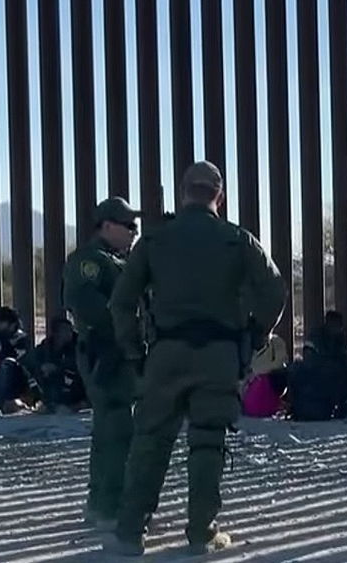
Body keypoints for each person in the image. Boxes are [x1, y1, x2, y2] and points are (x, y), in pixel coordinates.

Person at [105, 161, 285, 556]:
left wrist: (134, 351)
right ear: (219, 196)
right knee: (208, 442)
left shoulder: (153, 241)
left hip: (165, 354)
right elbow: (274, 291)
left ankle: (131, 532)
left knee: (150, 439)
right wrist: (256, 336)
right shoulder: (239, 240)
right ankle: (201, 533)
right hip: (219, 355)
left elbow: (121, 303)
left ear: (184, 191)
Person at [62, 197, 140, 531]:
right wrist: (127, 326)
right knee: (116, 430)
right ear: (107, 225)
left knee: (113, 429)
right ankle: (108, 506)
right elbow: (89, 304)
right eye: (128, 226)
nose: (134, 231)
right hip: (105, 351)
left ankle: (102, 502)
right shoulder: (90, 261)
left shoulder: (119, 260)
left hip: (119, 353)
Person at [24, 317, 86, 413]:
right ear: (56, 333)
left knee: (68, 375)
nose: (69, 333)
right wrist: (42, 366)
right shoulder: (47, 346)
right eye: (65, 331)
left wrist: (57, 367)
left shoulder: (77, 344)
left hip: (73, 383)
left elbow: (77, 363)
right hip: (51, 382)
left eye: (70, 330)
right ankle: (42, 402)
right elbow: (30, 360)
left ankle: (73, 404)